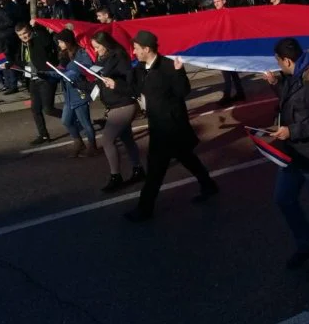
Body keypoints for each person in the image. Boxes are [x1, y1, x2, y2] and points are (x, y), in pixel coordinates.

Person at [102, 31, 218, 222]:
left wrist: (180, 72)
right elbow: (135, 90)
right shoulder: (140, 68)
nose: (134, 52)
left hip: (171, 126)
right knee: (186, 157)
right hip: (157, 123)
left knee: (155, 169)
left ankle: (144, 208)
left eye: (137, 49)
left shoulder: (168, 66)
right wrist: (115, 85)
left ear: (147, 49)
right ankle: (208, 184)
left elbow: (183, 91)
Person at [262, 38, 309, 280]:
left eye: (278, 63)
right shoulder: (294, 76)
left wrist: (292, 131)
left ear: (287, 60)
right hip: (294, 153)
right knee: (283, 199)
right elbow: (292, 101)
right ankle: (306, 244)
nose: (277, 66)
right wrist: (275, 84)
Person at [91, 31, 145, 192]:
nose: (96, 50)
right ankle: (138, 169)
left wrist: (116, 84)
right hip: (114, 104)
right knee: (127, 138)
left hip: (123, 104)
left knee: (107, 140)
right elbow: (100, 83)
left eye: (98, 47)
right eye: (94, 48)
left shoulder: (120, 58)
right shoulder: (102, 59)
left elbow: (130, 86)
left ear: (106, 44)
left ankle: (116, 176)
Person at [8, 21, 61, 144]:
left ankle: (73, 120)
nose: (23, 37)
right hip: (33, 79)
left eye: (25, 33)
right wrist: (12, 64)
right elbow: (25, 62)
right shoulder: (23, 45)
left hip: (46, 78)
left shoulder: (39, 39)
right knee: (35, 109)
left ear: (30, 30)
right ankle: (43, 135)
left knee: (48, 109)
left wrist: (37, 26)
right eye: (20, 35)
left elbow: (46, 40)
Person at [49, 29, 97, 157]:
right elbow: (60, 71)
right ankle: (78, 142)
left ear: (68, 42)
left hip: (79, 92)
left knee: (85, 122)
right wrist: (47, 75)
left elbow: (87, 67)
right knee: (66, 121)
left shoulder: (81, 53)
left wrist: (71, 70)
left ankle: (92, 146)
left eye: (61, 42)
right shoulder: (64, 55)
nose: (59, 45)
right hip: (68, 94)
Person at [211, 0, 245, 106]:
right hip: (222, 45)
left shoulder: (228, 13)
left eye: (218, 1)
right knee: (232, 72)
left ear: (224, 1)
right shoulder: (215, 14)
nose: (216, 4)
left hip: (228, 46)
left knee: (226, 71)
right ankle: (240, 93)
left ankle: (227, 96)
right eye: (215, 2)